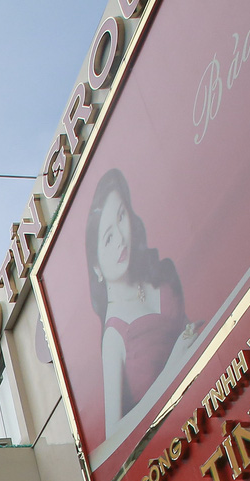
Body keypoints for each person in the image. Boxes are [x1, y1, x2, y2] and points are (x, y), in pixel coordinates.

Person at [85, 169, 202, 442]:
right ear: (96, 267)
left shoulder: (161, 274)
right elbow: (113, 434)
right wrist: (173, 367)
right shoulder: (114, 336)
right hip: (175, 444)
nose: (121, 240)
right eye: (108, 238)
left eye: (122, 216)